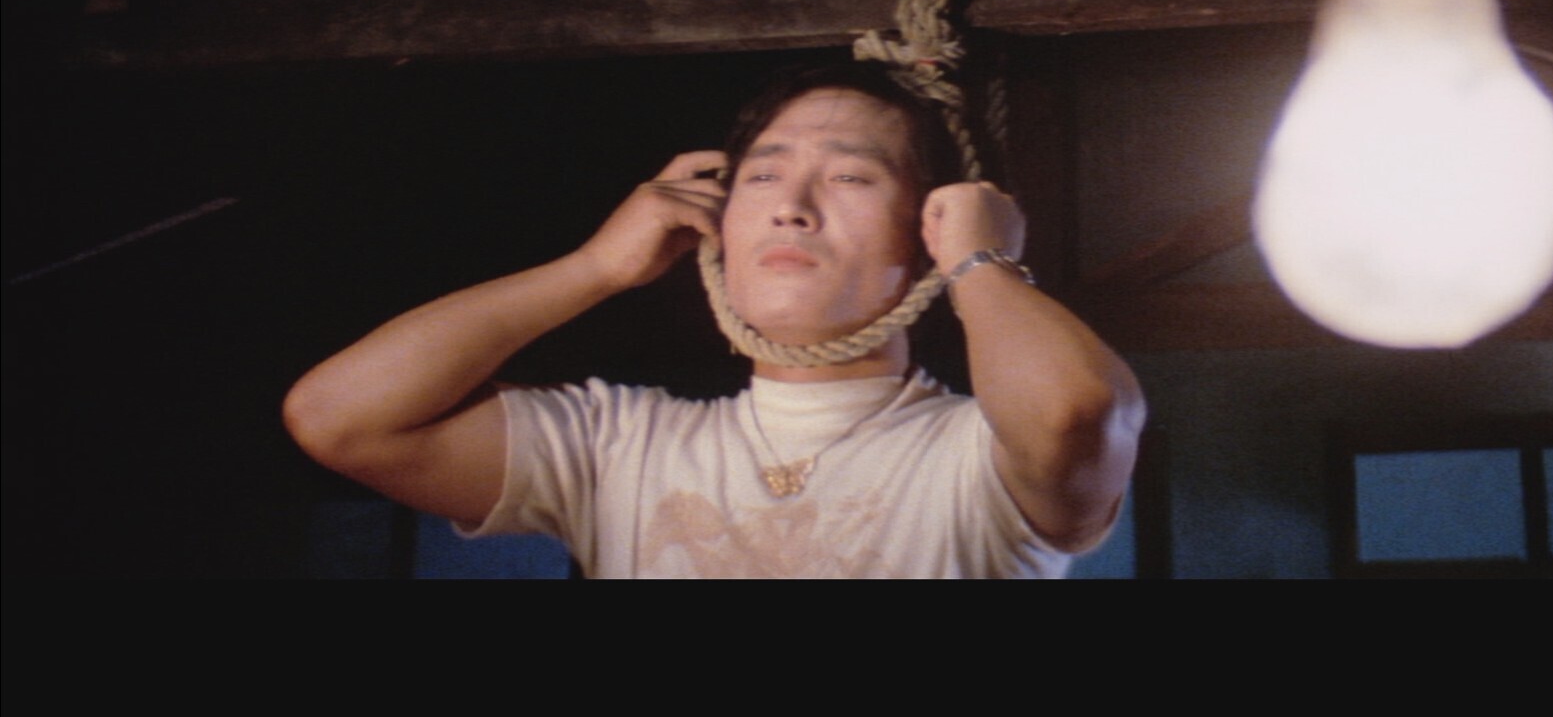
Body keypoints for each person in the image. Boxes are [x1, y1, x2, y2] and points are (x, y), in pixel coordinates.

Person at [283, 63, 1145, 577]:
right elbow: (339, 418)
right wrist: (594, 267)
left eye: (850, 177)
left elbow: (1076, 414)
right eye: (762, 176)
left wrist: (982, 262)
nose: (791, 206)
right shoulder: (619, 447)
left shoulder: (976, 460)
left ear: (929, 231)